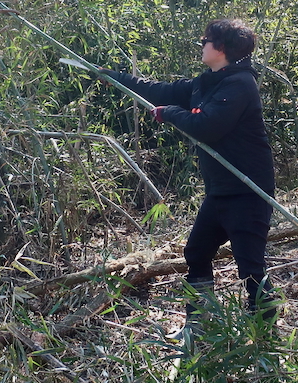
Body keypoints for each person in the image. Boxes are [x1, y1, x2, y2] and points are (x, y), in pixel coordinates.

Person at [106, 19, 277, 332]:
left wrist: (170, 113)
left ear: (221, 48)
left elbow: (207, 126)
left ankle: (265, 337)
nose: (202, 45)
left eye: (205, 40)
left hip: (248, 191)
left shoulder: (240, 84)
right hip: (220, 190)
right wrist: (112, 77)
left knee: (251, 268)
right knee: (197, 252)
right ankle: (199, 324)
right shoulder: (206, 83)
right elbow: (158, 90)